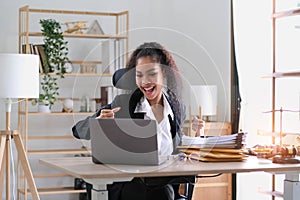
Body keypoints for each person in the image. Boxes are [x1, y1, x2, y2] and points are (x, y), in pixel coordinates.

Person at [72, 42, 204, 200]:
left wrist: (198, 137)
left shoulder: (177, 108)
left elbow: (178, 149)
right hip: (131, 183)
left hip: (164, 181)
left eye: (151, 74)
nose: (145, 82)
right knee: (162, 194)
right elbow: (78, 130)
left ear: (164, 73)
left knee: (164, 192)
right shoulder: (123, 103)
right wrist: (100, 122)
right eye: (139, 75)